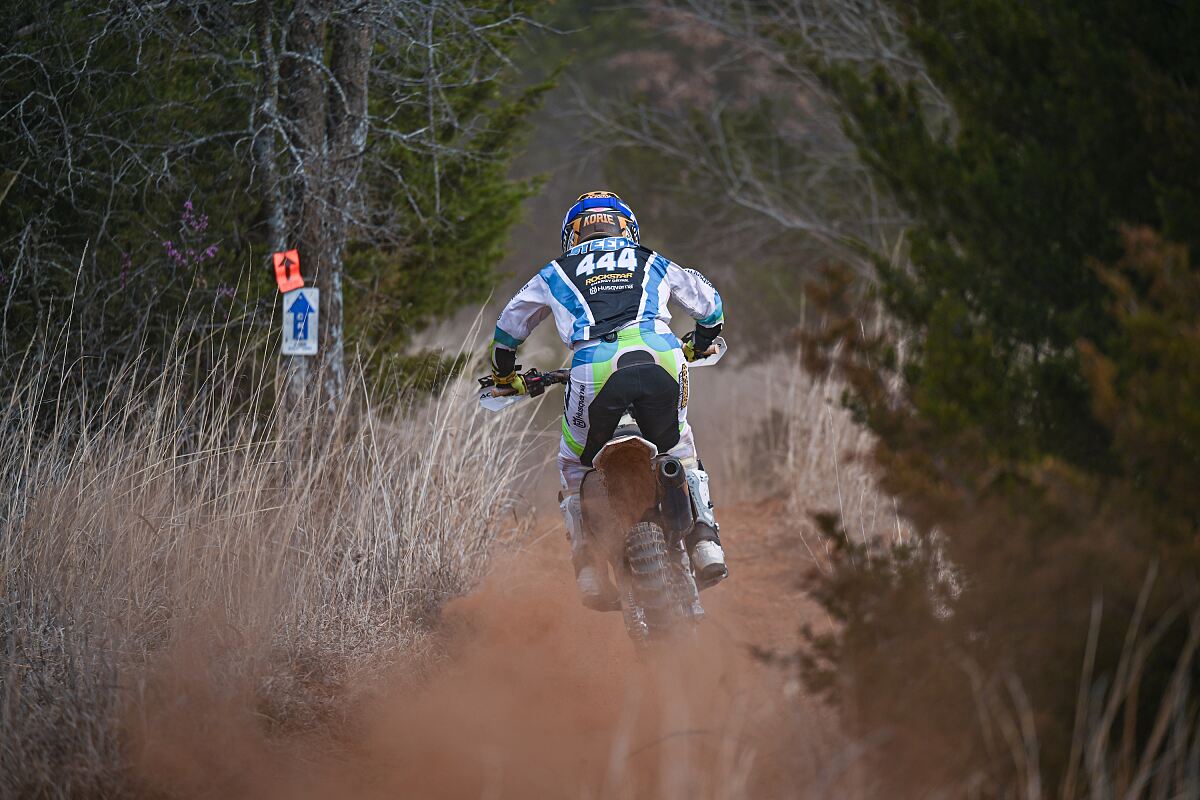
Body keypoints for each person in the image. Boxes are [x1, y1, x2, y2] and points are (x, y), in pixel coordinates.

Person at [489, 191, 727, 610]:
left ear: (572, 235)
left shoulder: (555, 271)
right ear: (627, 228)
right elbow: (710, 306)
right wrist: (700, 343)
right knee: (680, 446)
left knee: (574, 464)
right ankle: (706, 542)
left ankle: (588, 568)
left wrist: (506, 374)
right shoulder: (652, 260)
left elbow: (509, 325)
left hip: (593, 367)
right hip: (664, 356)